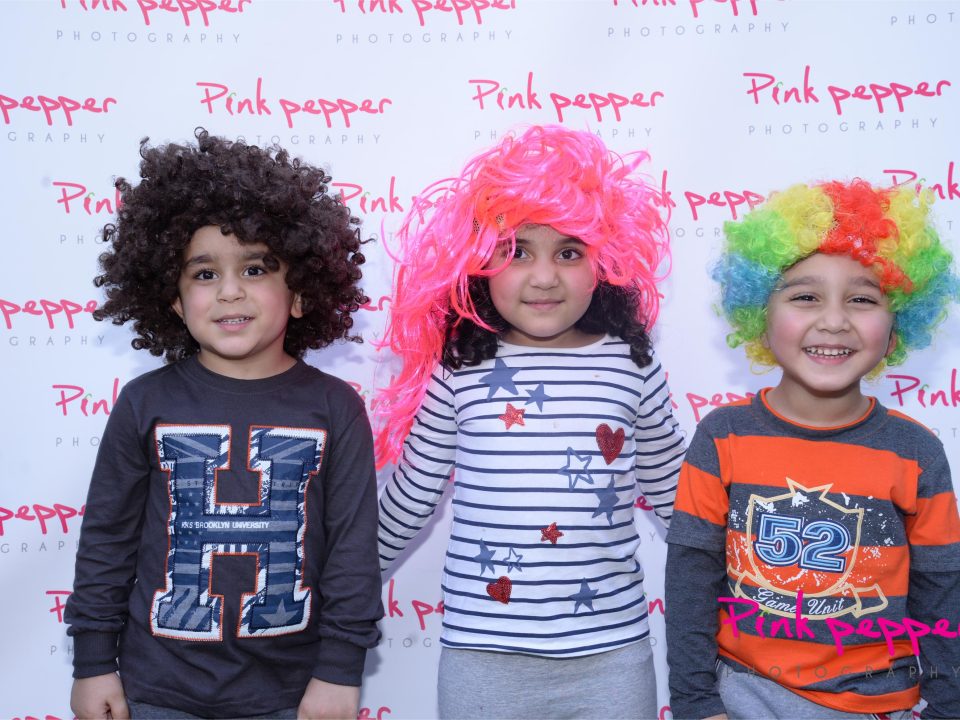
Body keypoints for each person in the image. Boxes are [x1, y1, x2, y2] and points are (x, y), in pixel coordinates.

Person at [64, 129, 383, 720]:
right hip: (155, 688)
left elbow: (351, 552)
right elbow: (107, 540)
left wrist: (341, 671)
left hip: (291, 694)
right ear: (175, 301)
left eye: (256, 268)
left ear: (302, 292)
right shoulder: (144, 402)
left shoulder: (336, 408)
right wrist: (93, 664)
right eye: (204, 274)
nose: (230, 291)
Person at [374, 125, 684, 719]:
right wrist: (346, 588)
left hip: (612, 655)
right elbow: (411, 498)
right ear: (476, 263)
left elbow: (676, 498)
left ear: (606, 261)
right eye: (515, 251)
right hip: (483, 658)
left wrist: (745, 579)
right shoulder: (461, 365)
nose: (544, 277)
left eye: (569, 252)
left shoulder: (631, 362)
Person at [665, 179, 960, 719]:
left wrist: (947, 706)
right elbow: (690, 579)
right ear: (759, 314)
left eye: (863, 299)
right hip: (744, 698)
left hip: (881, 703)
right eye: (805, 296)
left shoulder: (916, 452)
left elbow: (942, 590)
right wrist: (695, 704)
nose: (833, 320)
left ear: (896, 326)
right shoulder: (721, 437)